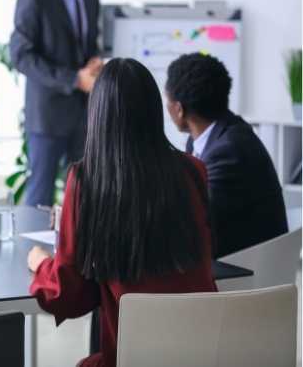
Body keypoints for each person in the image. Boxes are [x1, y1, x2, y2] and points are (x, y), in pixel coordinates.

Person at [27, 58, 216, 367]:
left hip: (134, 357)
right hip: (203, 350)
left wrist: (41, 264)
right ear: (154, 110)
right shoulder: (193, 171)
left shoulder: (86, 180)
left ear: (98, 113)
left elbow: (70, 295)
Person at [10, 0, 103, 208]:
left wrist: (95, 65)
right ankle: (31, 253)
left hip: (85, 114)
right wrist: (75, 79)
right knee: (40, 195)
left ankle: (81, 251)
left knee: (86, 191)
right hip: (47, 115)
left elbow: (86, 47)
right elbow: (21, 56)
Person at [165, 53, 288, 257]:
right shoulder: (210, 136)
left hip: (248, 270)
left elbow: (197, 219)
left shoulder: (229, 150)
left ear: (178, 109)